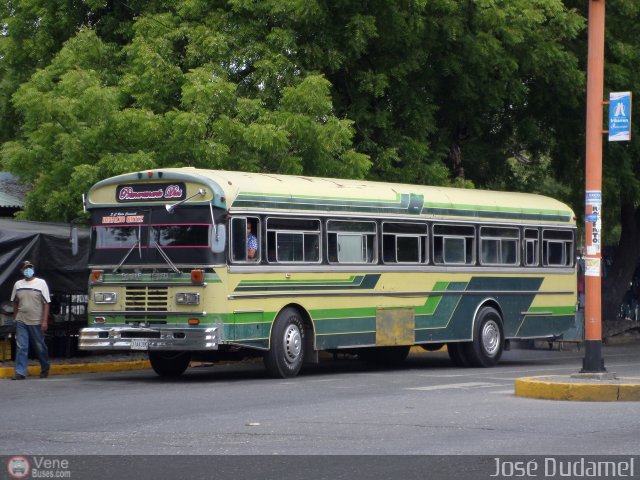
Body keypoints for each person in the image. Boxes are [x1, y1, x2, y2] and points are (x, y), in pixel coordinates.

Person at [11, 260, 51, 380]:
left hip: (36, 321)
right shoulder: (18, 284)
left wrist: (44, 320)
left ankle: (45, 367)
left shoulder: (41, 283)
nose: (28, 270)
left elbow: (46, 303)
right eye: (26, 268)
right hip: (21, 320)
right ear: (22, 271)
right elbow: (15, 302)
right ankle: (20, 372)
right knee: (21, 346)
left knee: (40, 346)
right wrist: (15, 318)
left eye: (30, 267)